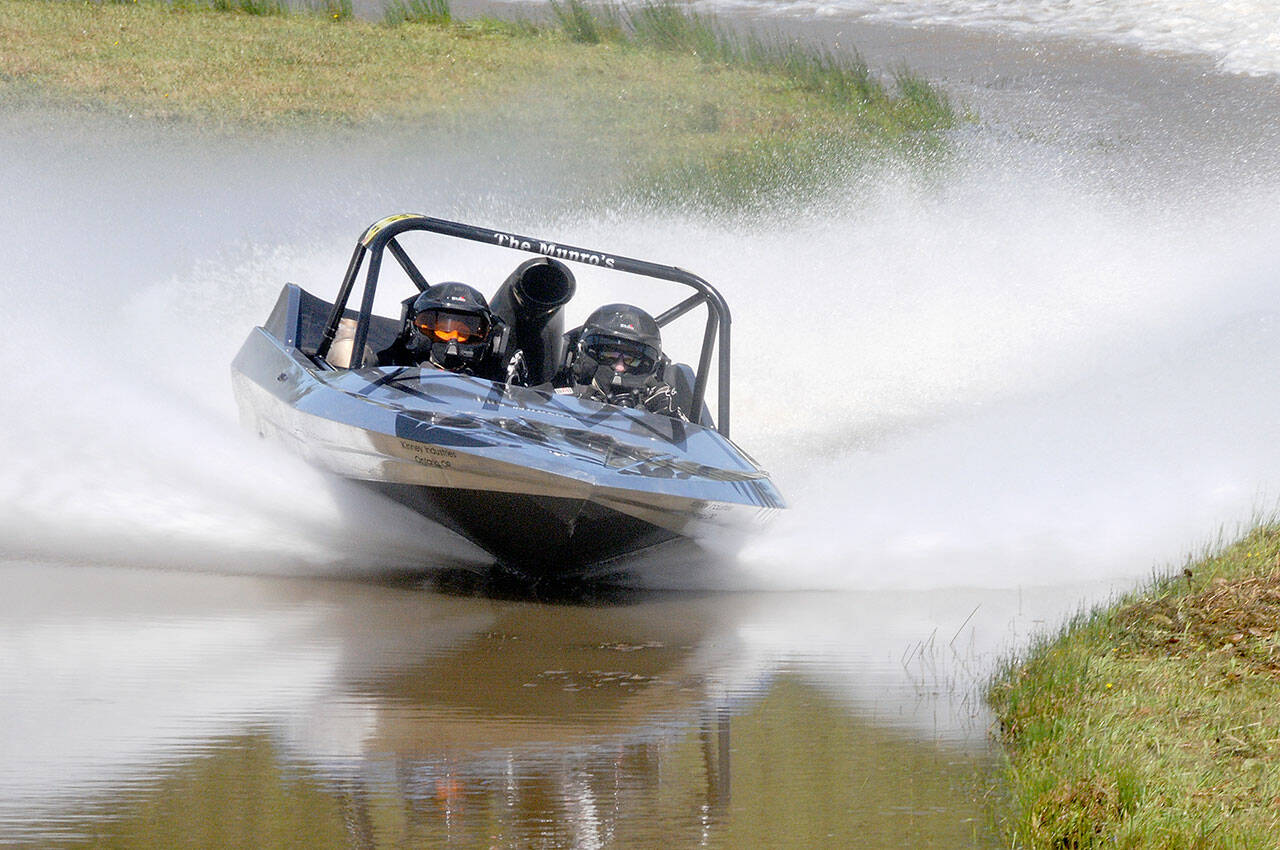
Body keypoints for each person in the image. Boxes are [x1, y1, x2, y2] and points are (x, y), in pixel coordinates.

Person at [556, 303, 685, 419]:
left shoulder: (657, 407)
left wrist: (670, 421)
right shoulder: (554, 393)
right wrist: (572, 407)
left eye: (631, 360)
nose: (619, 367)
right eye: (609, 356)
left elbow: (697, 441)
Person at [378, 282, 513, 382]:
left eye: (463, 332)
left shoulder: (493, 384)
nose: (453, 338)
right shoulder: (390, 366)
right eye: (444, 329)